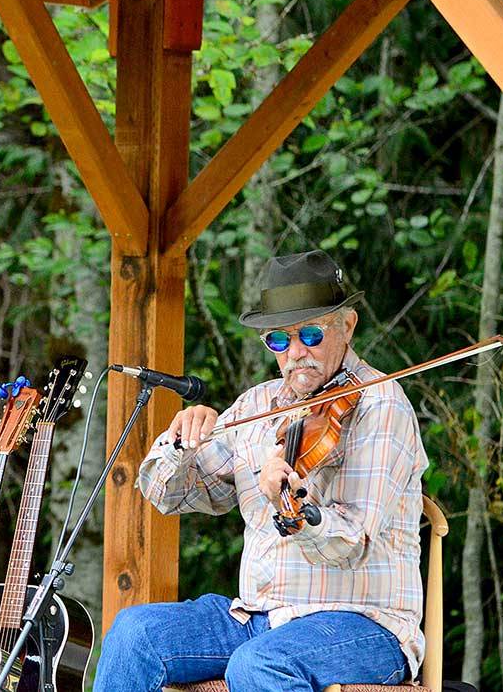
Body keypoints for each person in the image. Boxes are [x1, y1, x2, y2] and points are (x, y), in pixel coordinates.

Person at [95, 250, 428, 692]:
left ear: (346, 327)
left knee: (257, 666)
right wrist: (180, 444)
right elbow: (166, 495)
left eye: (310, 334)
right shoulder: (257, 405)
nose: (295, 353)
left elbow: (352, 544)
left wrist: (295, 506)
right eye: (278, 340)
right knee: (135, 632)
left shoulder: (380, 405)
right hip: (257, 617)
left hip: (364, 625)